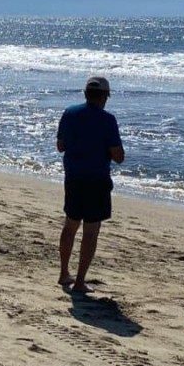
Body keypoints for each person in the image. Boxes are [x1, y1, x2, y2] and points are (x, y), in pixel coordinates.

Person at [56, 76, 125, 292]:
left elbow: (60, 146)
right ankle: (79, 281)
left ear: (86, 94)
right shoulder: (107, 120)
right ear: (104, 97)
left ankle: (63, 272)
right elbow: (118, 156)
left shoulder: (69, 113)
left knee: (70, 225)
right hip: (96, 179)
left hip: (74, 177)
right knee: (91, 231)